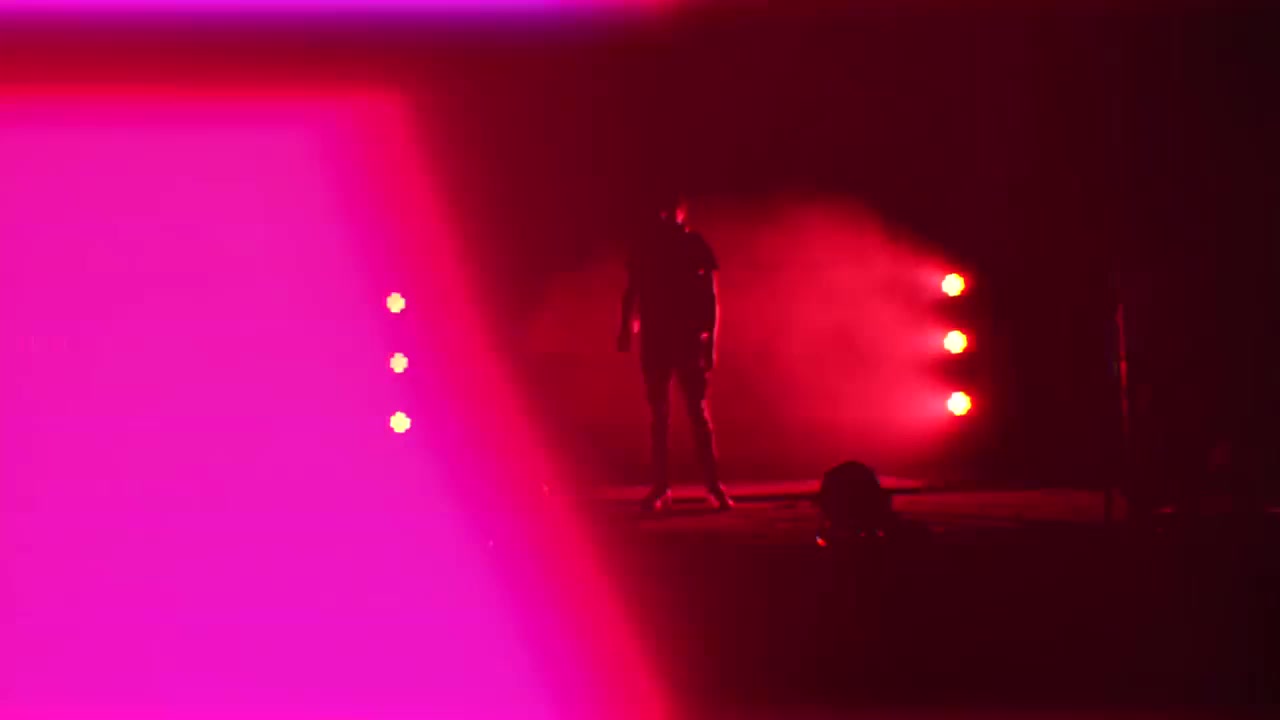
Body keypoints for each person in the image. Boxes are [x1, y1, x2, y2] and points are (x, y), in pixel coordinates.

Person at [617, 194, 733, 512]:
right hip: (660, 339)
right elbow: (633, 289)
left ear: (681, 212)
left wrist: (710, 342)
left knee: (694, 414)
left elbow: (710, 296)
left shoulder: (692, 244)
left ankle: (711, 486)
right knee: (663, 415)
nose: (665, 216)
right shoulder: (648, 246)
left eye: (670, 210)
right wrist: (626, 327)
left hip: (685, 338)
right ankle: (664, 487)